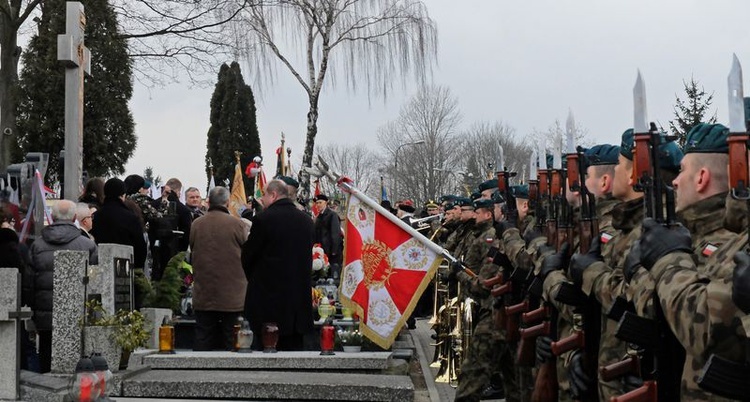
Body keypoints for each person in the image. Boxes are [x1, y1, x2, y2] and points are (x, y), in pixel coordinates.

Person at [242, 179, 314, 351]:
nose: (262, 200)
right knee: (294, 354)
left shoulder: (263, 219)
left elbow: (248, 256)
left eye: (264, 195)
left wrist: (256, 279)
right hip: (297, 302)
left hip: (268, 301)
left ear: (273, 195)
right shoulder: (306, 221)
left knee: (266, 351)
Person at [29, 200, 98, 373]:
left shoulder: (37, 245)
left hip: (44, 312)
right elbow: (95, 284)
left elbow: (29, 283)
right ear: (75, 217)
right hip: (77, 313)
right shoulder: (88, 245)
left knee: (45, 355)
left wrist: (33, 310)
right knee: (76, 361)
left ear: (52, 217)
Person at [190, 186, 248, 351]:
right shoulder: (238, 224)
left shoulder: (197, 224)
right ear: (227, 202)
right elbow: (247, 252)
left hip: (204, 293)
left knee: (203, 338)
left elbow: (192, 248)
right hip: (233, 295)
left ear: (208, 202)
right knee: (234, 340)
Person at [90, 178, 147, 269]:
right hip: (125, 267)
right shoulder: (130, 217)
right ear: (122, 195)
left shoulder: (95, 216)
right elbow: (140, 247)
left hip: (101, 265)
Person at [313, 194, 343, 280]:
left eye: (320, 202)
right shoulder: (318, 217)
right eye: (317, 203)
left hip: (331, 251)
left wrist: (334, 250)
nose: (318, 205)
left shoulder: (332, 215)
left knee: (333, 275)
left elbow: (335, 233)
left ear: (326, 203)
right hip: (321, 251)